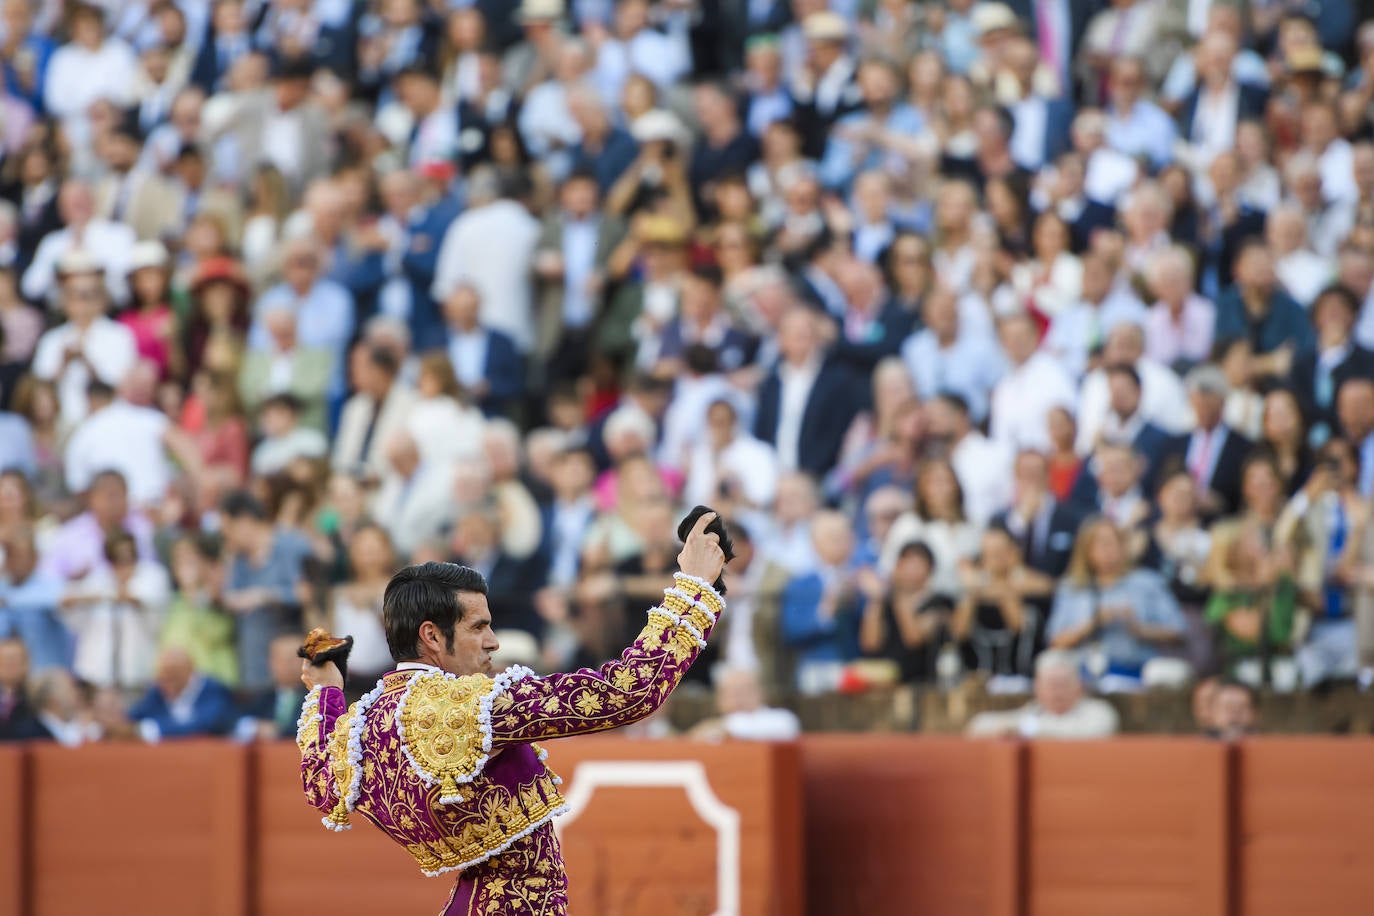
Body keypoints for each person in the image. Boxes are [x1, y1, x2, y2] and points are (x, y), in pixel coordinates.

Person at [297, 511, 728, 916]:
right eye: (478, 627)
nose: (493, 642)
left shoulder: (363, 727)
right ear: (431, 636)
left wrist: (326, 691)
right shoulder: (474, 707)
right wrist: (693, 587)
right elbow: (627, 693)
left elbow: (321, 783)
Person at [965, 649, 1120, 738]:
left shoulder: (1098, 712)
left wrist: (1027, 729)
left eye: (1063, 684)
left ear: (1079, 687)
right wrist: (1012, 728)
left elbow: (1095, 730)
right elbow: (978, 725)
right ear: (1038, 689)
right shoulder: (1034, 713)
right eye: (1051, 685)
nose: (1057, 692)